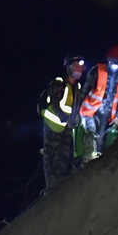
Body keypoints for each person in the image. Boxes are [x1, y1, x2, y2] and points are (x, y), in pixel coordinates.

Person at [38, 54, 86, 189]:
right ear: (68, 68)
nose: (79, 69)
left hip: (66, 130)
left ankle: (60, 189)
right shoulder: (59, 83)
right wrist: (66, 119)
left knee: (64, 161)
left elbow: (75, 106)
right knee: (52, 165)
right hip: (52, 130)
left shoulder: (77, 87)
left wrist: (76, 119)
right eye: (75, 66)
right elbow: (55, 104)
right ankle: (51, 193)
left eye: (80, 66)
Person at [78, 46, 118, 160]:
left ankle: (95, 163)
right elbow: (84, 91)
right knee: (90, 134)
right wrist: (77, 112)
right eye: (113, 60)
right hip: (89, 111)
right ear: (108, 59)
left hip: (106, 114)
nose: (115, 64)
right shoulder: (96, 71)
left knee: (100, 140)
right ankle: (87, 162)